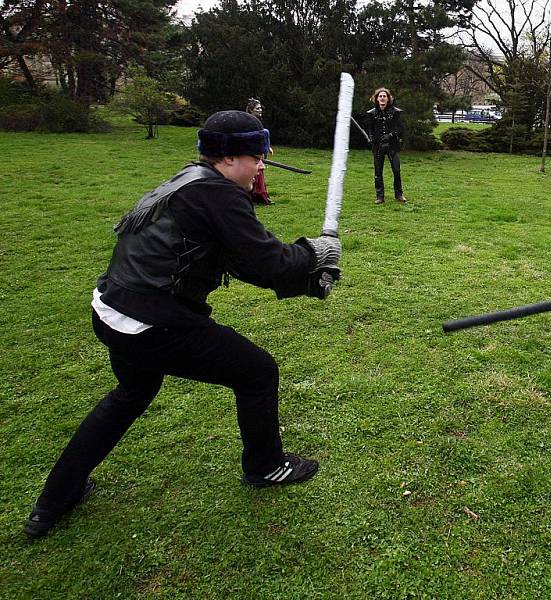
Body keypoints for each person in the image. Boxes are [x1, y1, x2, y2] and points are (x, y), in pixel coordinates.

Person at [24, 110, 342, 537]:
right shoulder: (217, 194)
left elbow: (241, 260)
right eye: (255, 156)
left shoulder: (192, 181)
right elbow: (267, 259)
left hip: (111, 309)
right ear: (228, 158)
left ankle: (54, 501)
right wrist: (315, 252)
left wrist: (306, 281)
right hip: (151, 322)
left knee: (132, 393)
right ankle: (266, 467)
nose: (262, 165)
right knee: (257, 371)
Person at [365, 87, 406, 204]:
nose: (382, 98)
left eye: (384, 96)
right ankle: (380, 196)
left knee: (396, 170)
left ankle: (399, 194)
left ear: (388, 99)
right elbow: (371, 130)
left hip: (392, 146)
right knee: (378, 172)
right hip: (378, 147)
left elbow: (400, 128)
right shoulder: (372, 113)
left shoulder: (395, 112)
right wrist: (371, 139)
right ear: (377, 99)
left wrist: (391, 135)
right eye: (380, 96)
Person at [245, 98, 273, 204]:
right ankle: (256, 195)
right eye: (257, 108)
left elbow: (263, 134)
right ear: (251, 110)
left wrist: (267, 147)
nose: (260, 110)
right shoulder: (248, 121)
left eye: (260, 108)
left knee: (259, 172)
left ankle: (259, 195)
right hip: (250, 150)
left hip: (257, 150)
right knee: (254, 172)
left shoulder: (258, 121)